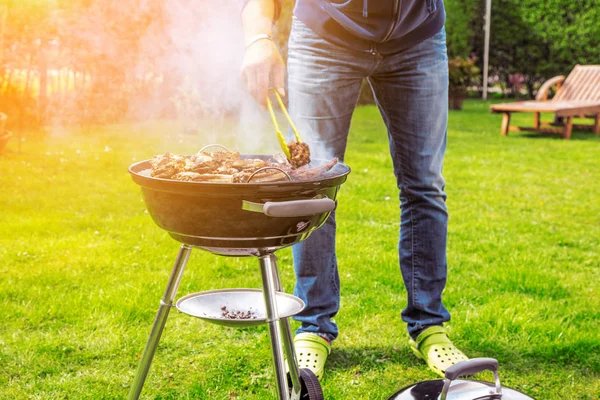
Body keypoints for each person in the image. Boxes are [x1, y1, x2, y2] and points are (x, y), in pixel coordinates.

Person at [240, 0, 469, 380]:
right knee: (311, 188)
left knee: (424, 186)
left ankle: (429, 325)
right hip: (324, 39)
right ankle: (313, 326)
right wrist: (258, 37)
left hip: (418, 40)